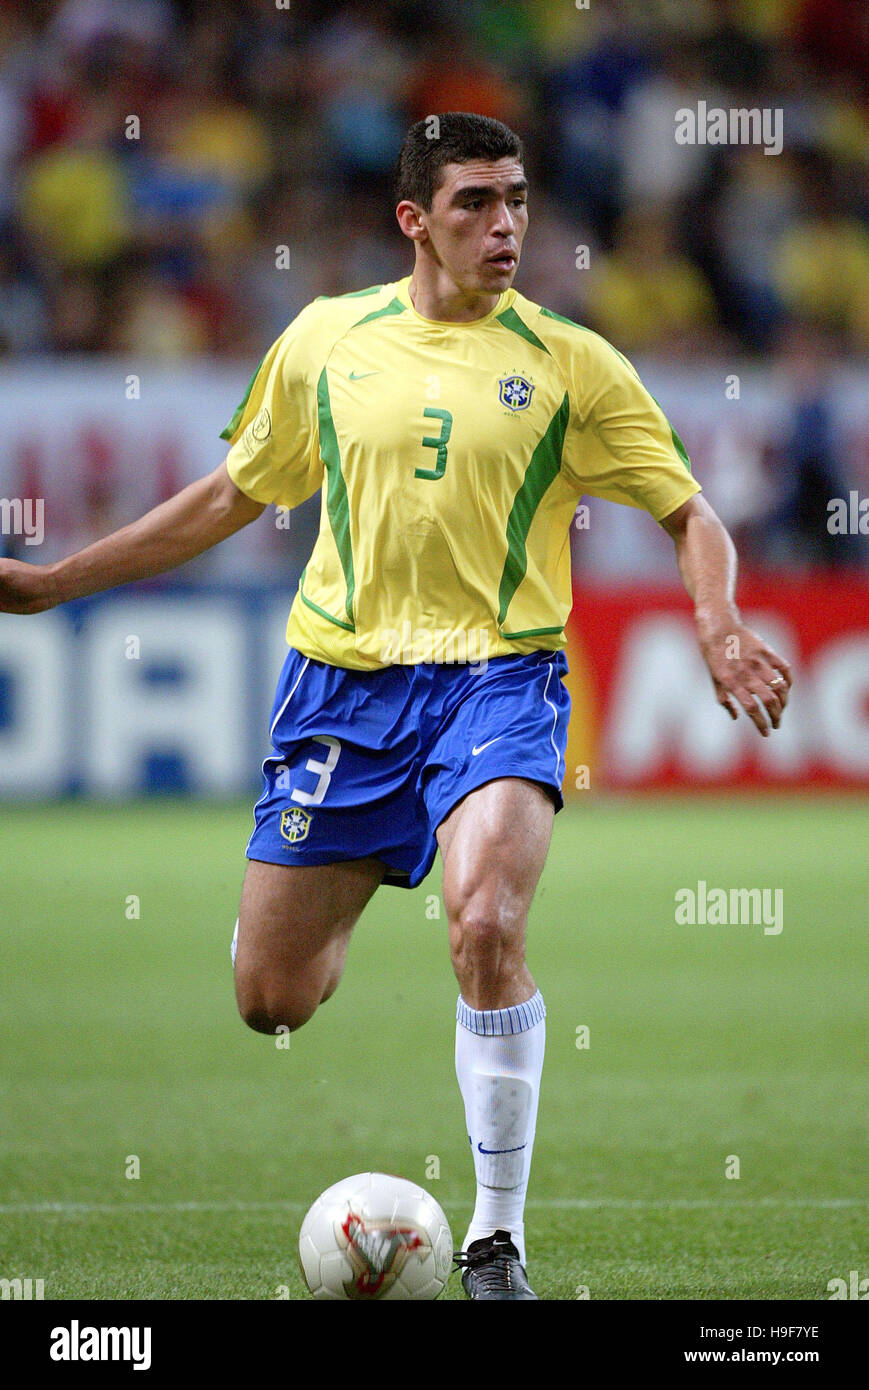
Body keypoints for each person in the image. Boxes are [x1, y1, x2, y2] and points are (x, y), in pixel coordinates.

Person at [0, 113, 792, 1300]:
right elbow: (228, 496)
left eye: (518, 198)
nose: (506, 224)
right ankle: (304, 905)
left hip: (499, 677)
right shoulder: (326, 341)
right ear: (413, 219)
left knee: (484, 923)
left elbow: (689, 512)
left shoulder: (571, 363)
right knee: (273, 1003)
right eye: (475, 202)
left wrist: (719, 621)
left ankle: (494, 1239)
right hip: (344, 687)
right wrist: (59, 581)